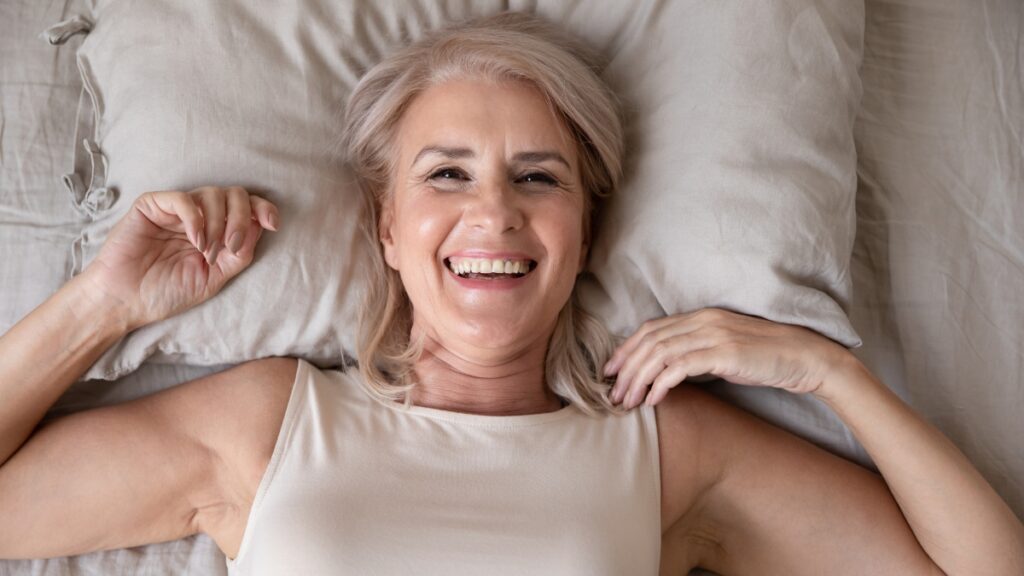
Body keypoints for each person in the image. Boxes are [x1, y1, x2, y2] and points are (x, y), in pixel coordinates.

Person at [1, 11, 1021, 575]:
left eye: (538, 177)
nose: (493, 214)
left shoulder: (667, 451)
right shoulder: (267, 423)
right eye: (446, 174)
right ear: (386, 231)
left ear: (584, 237)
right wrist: (104, 306)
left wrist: (825, 370)